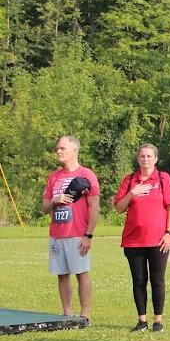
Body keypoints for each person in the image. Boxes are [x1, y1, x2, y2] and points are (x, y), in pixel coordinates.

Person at [112, 143, 170, 333]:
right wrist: (132, 193)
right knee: (139, 280)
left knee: (157, 280)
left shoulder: (163, 179)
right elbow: (118, 208)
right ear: (137, 158)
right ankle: (142, 321)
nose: (145, 159)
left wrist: (169, 233)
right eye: (142, 156)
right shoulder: (130, 180)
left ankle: (158, 321)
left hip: (158, 240)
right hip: (134, 240)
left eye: (149, 156)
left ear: (155, 159)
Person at [40, 136, 101, 325]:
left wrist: (88, 235)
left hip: (77, 234)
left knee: (82, 273)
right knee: (62, 275)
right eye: (57, 148)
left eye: (62, 148)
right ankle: (67, 314)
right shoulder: (54, 177)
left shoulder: (86, 175)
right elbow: (43, 209)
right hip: (57, 234)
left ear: (74, 150)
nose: (58, 151)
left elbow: (95, 207)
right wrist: (54, 201)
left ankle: (84, 315)